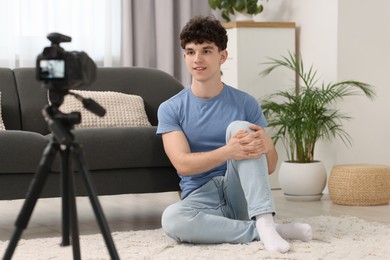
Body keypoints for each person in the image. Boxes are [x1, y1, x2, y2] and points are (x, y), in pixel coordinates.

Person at [156, 15, 312, 253]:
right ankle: (267, 230)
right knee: (172, 219)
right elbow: (183, 165)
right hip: (201, 198)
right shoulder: (170, 108)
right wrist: (229, 151)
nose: (197, 59)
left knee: (238, 127)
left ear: (222, 56)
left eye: (206, 51)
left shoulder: (245, 103)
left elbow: (269, 167)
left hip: (240, 193)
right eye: (190, 52)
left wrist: (267, 144)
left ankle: (263, 218)